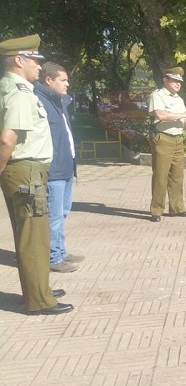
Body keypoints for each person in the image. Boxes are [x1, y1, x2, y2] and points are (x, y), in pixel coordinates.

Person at [0, 34, 72, 315]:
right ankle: (38, 300)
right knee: (33, 236)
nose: (39, 67)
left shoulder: (18, 88)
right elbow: (7, 139)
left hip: (29, 170)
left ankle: (39, 288)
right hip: (26, 170)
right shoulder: (18, 91)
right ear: (19, 60)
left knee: (36, 234)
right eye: (34, 60)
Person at [34, 62, 85, 273]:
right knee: (53, 215)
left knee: (62, 211)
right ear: (49, 80)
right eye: (63, 80)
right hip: (53, 169)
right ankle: (53, 258)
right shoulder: (40, 101)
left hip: (66, 166)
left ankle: (60, 251)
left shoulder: (58, 101)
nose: (67, 84)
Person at [148, 66, 186, 222]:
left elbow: (181, 119)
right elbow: (160, 114)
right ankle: (156, 210)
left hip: (178, 139)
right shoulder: (157, 95)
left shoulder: (179, 99)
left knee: (177, 176)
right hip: (164, 138)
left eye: (180, 82)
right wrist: (185, 114)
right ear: (165, 80)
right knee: (161, 176)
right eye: (175, 80)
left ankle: (177, 208)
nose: (178, 84)